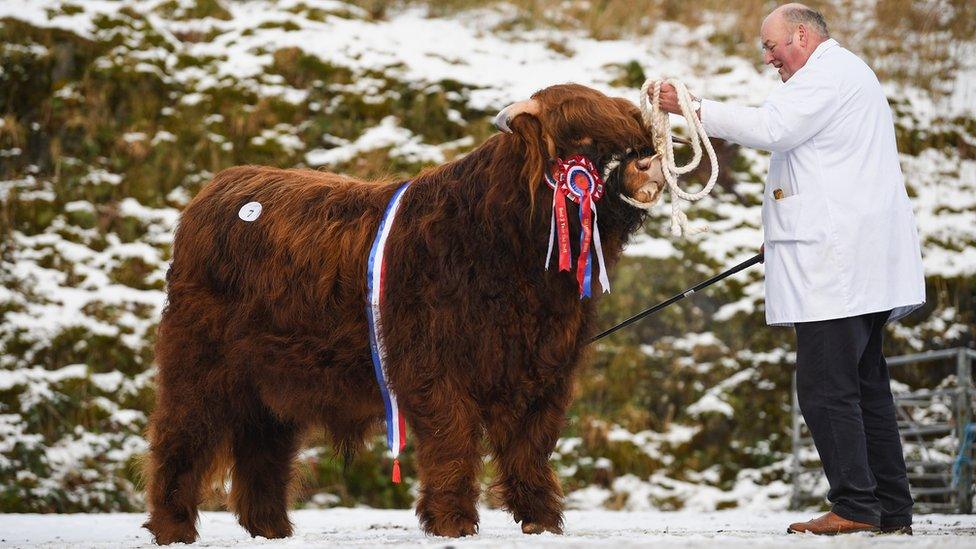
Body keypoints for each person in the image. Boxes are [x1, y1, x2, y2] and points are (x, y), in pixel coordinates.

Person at [652, 3, 925, 536]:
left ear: (802, 35)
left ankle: (855, 505)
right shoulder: (844, 75)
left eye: (771, 45)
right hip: (852, 259)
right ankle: (890, 506)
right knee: (865, 386)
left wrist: (693, 107)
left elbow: (772, 128)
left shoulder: (829, 74)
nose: (768, 57)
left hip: (837, 265)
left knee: (827, 389)